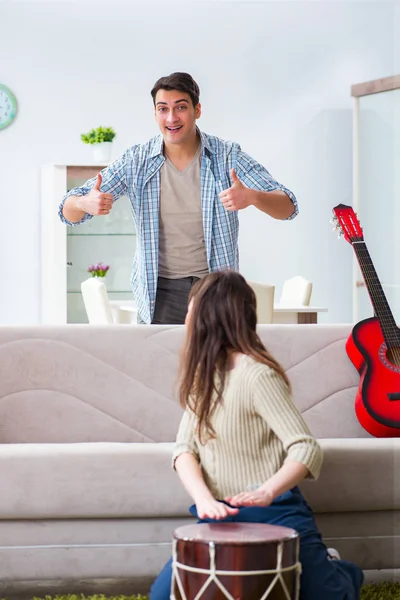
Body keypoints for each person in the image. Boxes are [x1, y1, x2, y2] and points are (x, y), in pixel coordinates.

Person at [149, 270, 363, 600]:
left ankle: (341, 570)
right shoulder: (204, 375)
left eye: (191, 311)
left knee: (330, 597)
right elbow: (184, 450)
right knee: (162, 597)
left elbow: (305, 448)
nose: (186, 318)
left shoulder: (257, 375)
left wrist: (266, 491)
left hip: (274, 509)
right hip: (219, 513)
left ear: (209, 317)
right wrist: (204, 499)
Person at [58, 72, 298, 325]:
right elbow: (66, 209)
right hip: (160, 293)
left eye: (181, 107)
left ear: (197, 110)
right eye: (163, 109)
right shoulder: (136, 161)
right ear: (155, 114)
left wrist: (252, 196)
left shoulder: (227, 156)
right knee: (160, 365)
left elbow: (288, 206)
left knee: (218, 365)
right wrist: (84, 203)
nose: (171, 118)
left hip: (216, 292)